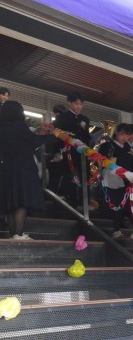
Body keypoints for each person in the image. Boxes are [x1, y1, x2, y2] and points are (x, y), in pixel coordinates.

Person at [0, 101, 60, 239]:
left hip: (7, 169)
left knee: (11, 203)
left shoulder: (2, 128)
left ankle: (13, 234)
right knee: (22, 201)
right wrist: (53, 136)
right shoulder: (19, 125)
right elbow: (33, 141)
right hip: (24, 168)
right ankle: (18, 234)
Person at [98, 123, 133, 239]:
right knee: (118, 205)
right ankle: (117, 230)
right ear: (116, 132)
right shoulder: (108, 146)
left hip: (127, 180)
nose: (124, 137)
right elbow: (101, 161)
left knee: (130, 205)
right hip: (113, 181)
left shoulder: (129, 148)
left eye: (127, 135)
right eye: (122, 134)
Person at [54, 92, 92, 208]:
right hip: (68, 151)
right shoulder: (62, 118)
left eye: (81, 104)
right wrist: (58, 151)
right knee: (70, 174)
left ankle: (84, 201)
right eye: (76, 104)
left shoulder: (85, 119)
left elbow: (87, 137)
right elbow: (57, 135)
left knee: (85, 175)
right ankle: (71, 199)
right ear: (69, 103)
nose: (79, 106)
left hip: (82, 152)